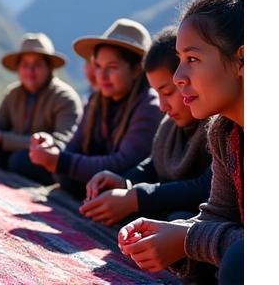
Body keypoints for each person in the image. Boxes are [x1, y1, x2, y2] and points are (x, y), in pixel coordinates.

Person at [118, 0, 244, 285]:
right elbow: (218, 213)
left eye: (192, 58)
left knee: (241, 262)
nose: (178, 77)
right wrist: (174, 232)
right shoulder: (224, 132)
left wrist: (187, 238)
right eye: (179, 59)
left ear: (243, 61)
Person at [80, 27, 212, 228]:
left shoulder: (216, 129)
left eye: (167, 93)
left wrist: (135, 198)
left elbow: (205, 187)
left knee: (178, 217)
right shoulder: (169, 127)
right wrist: (124, 182)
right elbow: (154, 163)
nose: (162, 105)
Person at [29, 19, 163, 199]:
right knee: (59, 173)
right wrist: (51, 148)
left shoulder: (149, 106)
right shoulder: (96, 100)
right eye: (98, 66)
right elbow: (75, 145)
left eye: (112, 67)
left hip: (126, 186)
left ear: (136, 69)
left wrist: (61, 161)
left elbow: (124, 163)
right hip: (94, 177)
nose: (102, 76)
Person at [0, 33, 83, 184]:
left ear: (49, 67)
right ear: (18, 68)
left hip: (44, 162)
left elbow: (62, 143)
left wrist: (2, 139)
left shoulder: (64, 98)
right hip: (15, 153)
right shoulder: (14, 93)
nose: (30, 71)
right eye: (25, 65)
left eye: (37, 65)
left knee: (20, 161)